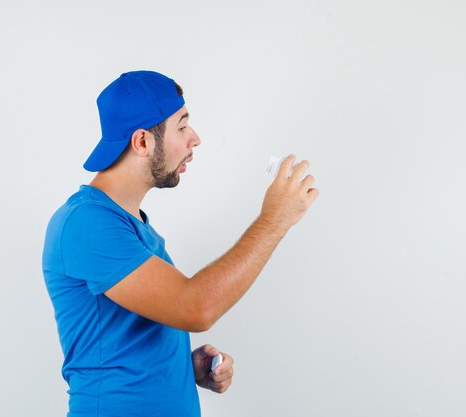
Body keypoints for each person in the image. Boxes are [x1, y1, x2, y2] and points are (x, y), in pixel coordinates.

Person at [42, 70, 319, 417]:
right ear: (142, 142)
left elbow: (125, 344)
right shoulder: (86, 223)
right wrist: (275, 219)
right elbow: (196, 308)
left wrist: (181, 369)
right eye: (182, 126)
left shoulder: (135, 229)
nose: (195, 139)